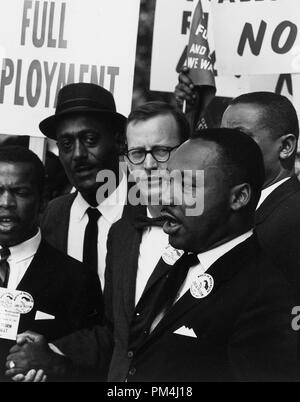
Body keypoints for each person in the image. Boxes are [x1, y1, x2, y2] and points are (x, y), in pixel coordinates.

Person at [5, 101, 190, 382]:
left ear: (116, 144)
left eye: (163, 151)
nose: (150, 164)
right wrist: (52, 353)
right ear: (128, 155)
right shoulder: (64, 217)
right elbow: (115, 327)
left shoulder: (203, 225)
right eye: (139, 153)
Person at [125, 128, 298, 381]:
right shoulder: (176, 261)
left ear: (239, 197)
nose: (166, 197)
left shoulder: (267, 297)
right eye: (168, 181)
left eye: (187, 184)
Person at [175, 75, 300, 294]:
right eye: (223, 135)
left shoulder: (293, 222)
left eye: (241, 136)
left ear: (286, 146)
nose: (225, 146)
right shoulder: (225, 205)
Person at [0, 146, 103, 381]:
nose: (6, 202)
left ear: (44, 201)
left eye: (20, 192)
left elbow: (89, 367)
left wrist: (55, 364)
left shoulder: (76, 279)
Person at [39, 82, 127, 288]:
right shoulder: (53, 216)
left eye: (90, 139)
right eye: (66, 144)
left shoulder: (146, 210)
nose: (78, 154)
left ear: (119, 141)